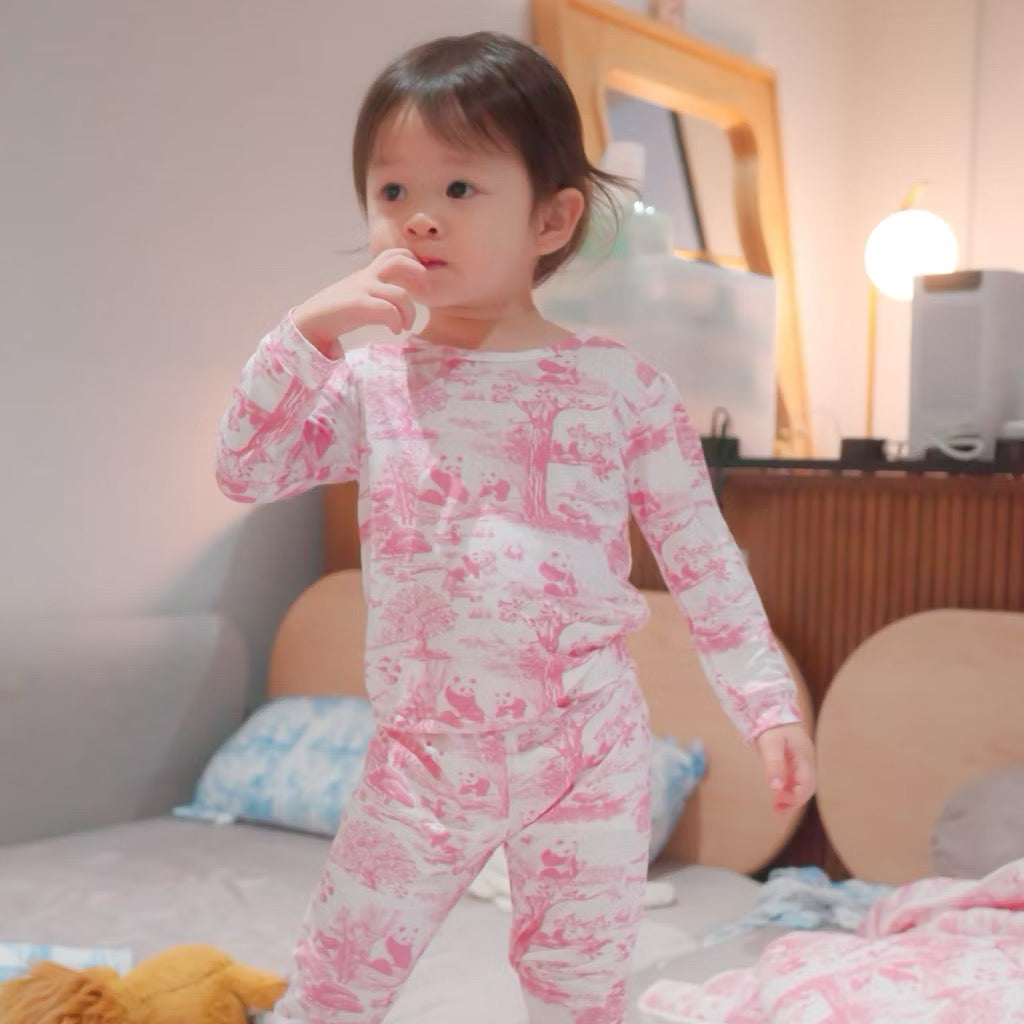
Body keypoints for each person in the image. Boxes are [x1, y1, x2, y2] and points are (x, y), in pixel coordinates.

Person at [216, 30, 815, 1024]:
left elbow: (703, 558)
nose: (419, 221)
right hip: (420, 754)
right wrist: (306, 333)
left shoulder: (619, 387)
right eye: (391, 192)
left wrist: (764, 702)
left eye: (458, 190)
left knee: (576, 994)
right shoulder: (372, 378)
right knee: (333, 981)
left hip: (584, 743)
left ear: (551, 216)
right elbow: (245, 467)